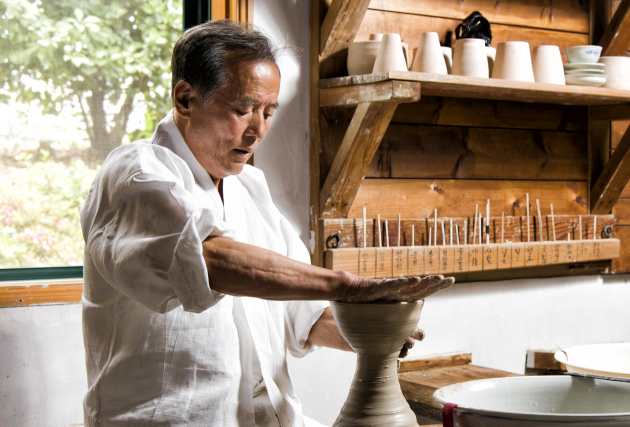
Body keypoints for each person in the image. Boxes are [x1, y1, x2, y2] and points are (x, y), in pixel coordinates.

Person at [79, 19, 454, 426]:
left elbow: (303, 316)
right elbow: (208, 261)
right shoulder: (136, 174)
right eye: (243, 110)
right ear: (186, 99)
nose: (258, 130)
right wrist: (348, 286)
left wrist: (374, 330)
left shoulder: (250, 190)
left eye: (268, 111)